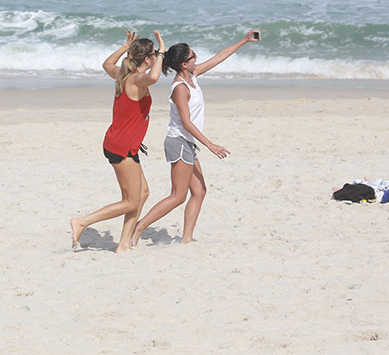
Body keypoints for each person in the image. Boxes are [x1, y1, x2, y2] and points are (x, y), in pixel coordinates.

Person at [131, 30, 261, 247]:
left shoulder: (192, 76)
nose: (197, 58)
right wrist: (210, 145)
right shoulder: (180, 88)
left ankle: (187, 238)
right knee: (177, 196)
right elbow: (186, 123)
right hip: (179, 142)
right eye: (192, 56)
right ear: (184, 64)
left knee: (199, 191)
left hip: (187, 143)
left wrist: (245, 40)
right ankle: (138, 227)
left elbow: (219, 57)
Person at [70, 29, 165, 253]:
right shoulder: (137, 79)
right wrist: (162, 51)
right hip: (121, 146)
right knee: (131, 201)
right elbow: (153, 78)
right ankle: (81, 222)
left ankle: (123, 245)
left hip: (122, 143)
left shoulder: (123, 74)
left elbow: (106, 64)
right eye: (154, 55)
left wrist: (126, 46)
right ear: (149, 58)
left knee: (142, 194)